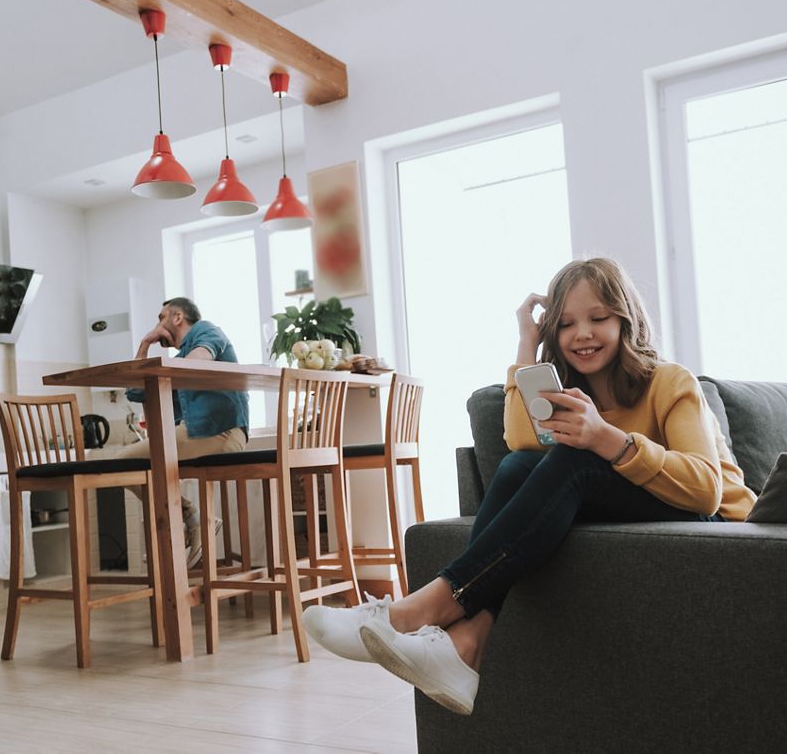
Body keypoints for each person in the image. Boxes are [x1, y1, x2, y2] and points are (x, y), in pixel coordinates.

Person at [302, 257, 756, 715]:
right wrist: (526, 342)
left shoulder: (669, 381)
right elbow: (520, 441)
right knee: (520, 465)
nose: (582, 334)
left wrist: (606, 439)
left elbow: (706, 490)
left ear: (626, 320)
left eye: (598, 319)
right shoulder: (571, 391)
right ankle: (465, 646)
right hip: (639, 503)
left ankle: (416, 612)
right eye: (565, 324)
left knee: (577, 455)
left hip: (710, 516)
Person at [117, 297, 249, 567]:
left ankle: (194, 518)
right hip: (202, 435)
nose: (158, 325)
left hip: (222, 433)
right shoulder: (178, 359)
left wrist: (159, 364)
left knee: (121, 462)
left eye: (161, 317)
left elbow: (198, 361)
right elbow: (136, 390)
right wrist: (144, 345)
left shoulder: (206, 330)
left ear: (177, 317)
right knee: (125, 465)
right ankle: (195, 518)